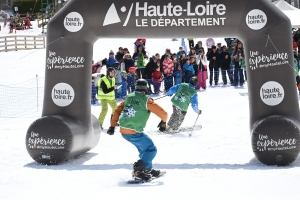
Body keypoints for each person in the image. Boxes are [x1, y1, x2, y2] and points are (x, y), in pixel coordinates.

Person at [107, 79, 168, 181]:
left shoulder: (128, 97)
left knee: (144, 150)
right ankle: (138, 171)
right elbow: (164, 114)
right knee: (151, 149)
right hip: (134, 132)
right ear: (146, 88)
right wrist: (163, 123)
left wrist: (112, 126)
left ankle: (147, 170)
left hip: (124, 131)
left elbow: (117, 110)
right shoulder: (147, 100)